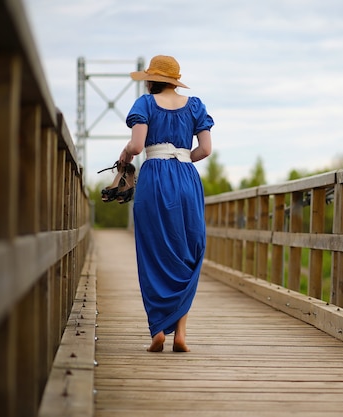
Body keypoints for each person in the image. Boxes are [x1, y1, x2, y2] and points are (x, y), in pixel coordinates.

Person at [119, 55, 214, 352]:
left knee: (154, 252)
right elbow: (206, 149)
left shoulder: (145, 105)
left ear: (150, 80)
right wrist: (183, 158)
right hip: (187, 178)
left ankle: (158, 331)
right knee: (187, 251)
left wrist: (124, 157)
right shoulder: (195, 105)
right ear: (174, 80)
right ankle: (181, 334)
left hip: (155, 179)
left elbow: (136, 146)